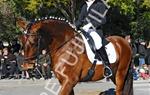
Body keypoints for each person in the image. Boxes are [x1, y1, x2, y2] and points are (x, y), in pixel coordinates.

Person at [75, 0, 112, 77]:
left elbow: (103, 20)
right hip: (84, 30)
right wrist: (74, 26)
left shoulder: (100, 5)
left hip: (95, 30)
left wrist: (91, 25)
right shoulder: (84, 6)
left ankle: (107, 66)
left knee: (97, 43)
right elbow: (79, 20)